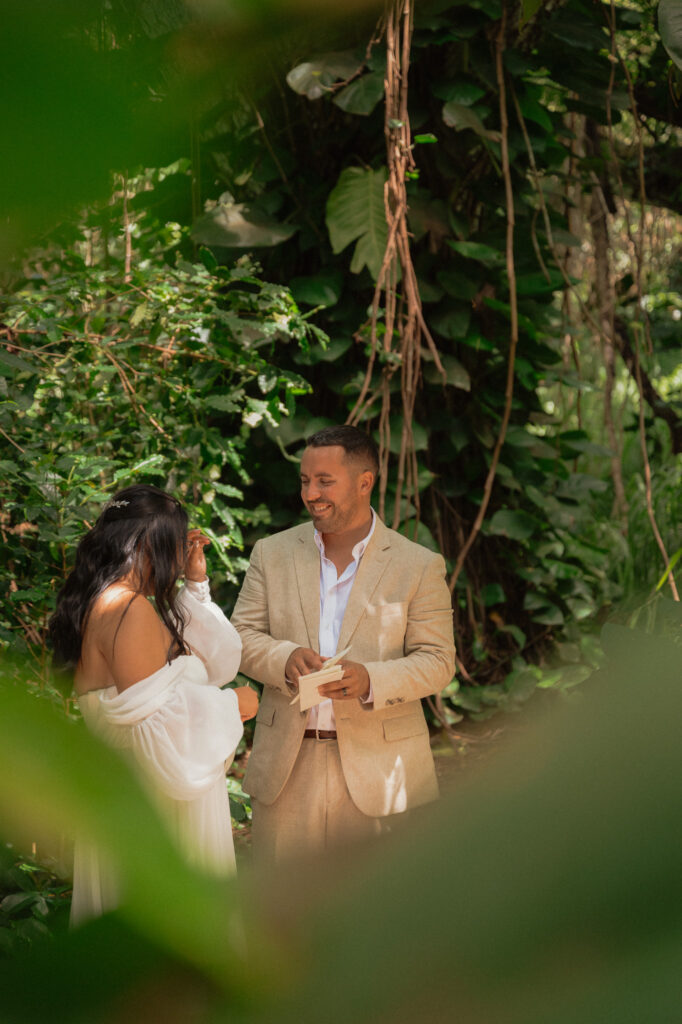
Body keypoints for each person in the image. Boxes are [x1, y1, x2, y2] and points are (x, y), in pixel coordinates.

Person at [231, 425, 455, 862]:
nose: (311, 493)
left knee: (378, 917)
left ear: (364, 482)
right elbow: (239, 636)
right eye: (304, 481)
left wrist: (370, 679)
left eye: (324, 481)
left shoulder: (418, 565)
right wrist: (284, 658)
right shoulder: (271, 553)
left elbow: (438, 660)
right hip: (288, 771)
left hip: (384, 770)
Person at [48, 484, 258, 924]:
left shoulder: (104, 601)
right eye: (174, 545)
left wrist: (196, 584)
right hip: (158, 810)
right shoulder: (127, 609)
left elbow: (211, 662)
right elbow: (160, 728)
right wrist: (231, 705)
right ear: (150, 544)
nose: (178, 556)